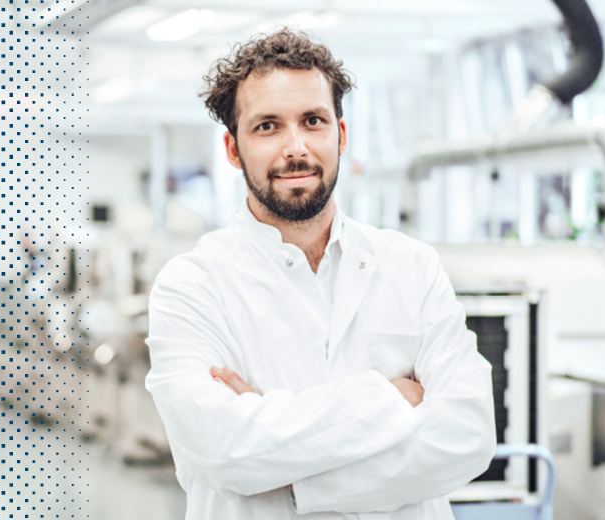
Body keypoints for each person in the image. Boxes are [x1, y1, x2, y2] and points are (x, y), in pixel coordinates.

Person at [143, 29, 496, 519]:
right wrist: (391, 398)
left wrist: (292, 480)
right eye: (267, 126)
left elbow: (468, 435)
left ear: (341, 135)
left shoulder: (411, 266)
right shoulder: (192, 286)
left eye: (313, 121)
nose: (295, 148)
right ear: (232, 148)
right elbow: (227, 454)